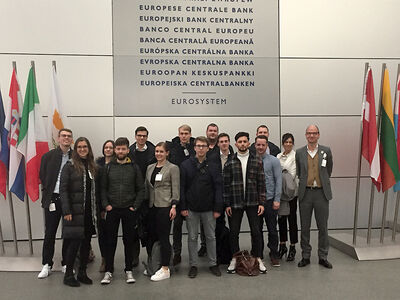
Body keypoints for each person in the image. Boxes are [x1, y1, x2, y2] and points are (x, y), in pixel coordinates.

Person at [100, 137, 145, 284]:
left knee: (129, 241)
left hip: (129, 210)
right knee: (110, 241)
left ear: (127, 150)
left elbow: (141, 189)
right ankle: (108, 271)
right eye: (118, 149)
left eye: (123, 148)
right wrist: (106, 204)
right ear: (115, 150)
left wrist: (135, 206)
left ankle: (128, 270)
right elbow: (103, 189)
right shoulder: (108, 167)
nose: (120, 151)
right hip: (112, 209)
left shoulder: (134, 167)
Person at [223, 132, 267, 274]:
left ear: (249, 143)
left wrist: (262, 203)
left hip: (253, 202)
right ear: (235, 144)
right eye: (239, 142)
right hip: (235, 203)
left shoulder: (256, 160)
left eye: (245, 141)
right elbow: (226, 185)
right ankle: (235, 259)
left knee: (256, 231)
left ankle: (258, 258)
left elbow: (261, 183)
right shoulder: (230, 161)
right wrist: (227, 204)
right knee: (233, 232)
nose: (242, 144)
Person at [180, 136, 223, 278]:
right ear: (194, 147)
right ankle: (193, 265)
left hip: (209, 209)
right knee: (192, 238)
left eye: (203, 146)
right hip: (191, 209)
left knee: (211, 237)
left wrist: (218, 208)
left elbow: (218, 188)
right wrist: (183, 207)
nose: (200, 148)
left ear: (207, 148)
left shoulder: (214, 165)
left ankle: (213, 263)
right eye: (198, 146)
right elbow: (182, 188)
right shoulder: (186, 165)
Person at [60, 137, 97, 287]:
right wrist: (67, 210)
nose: (82, 149)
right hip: (74, 213)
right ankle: (69, 274)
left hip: (88, 213)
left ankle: (82, 272)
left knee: (86, 244)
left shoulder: (92, 166)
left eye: (85, 146)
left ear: (89, 149)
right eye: (79, 147)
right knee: (73, 244)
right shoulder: (69, 166)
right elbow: (63, 190)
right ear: (76, 149)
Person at [296, 125, 333, 269]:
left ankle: (323, 256)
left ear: (318, 135)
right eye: (309, 133)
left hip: (321, 194)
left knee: (323, 227)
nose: (311, 136)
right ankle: (305, 256)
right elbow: (299, 172)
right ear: (306, 135)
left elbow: (329, 169)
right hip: (305, 193)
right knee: (305, 227)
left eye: (314, 133)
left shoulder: (326, 151)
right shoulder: (299, 152)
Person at [38, 128, 73, 279]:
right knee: (49, 233)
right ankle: (47, 264)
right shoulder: (48, 156)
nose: (66, 138)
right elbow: (43, 176)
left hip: (69, 202)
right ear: (58, 139)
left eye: (69, 136)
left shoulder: (76, 157)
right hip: (53, 199)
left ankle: (66, 263)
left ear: (71, 139)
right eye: (63, 136)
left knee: (68, 233)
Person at [145, 142, 180, 281]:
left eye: (161, 151)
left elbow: (175, 189)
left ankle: (165, 268)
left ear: (167, 153)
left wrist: (174, 206)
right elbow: (147, 187)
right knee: (152, 238)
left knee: (164, 238)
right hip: (152, 207)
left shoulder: (172, 168)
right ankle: (155, 266)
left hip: (165, 207)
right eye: (156, 151)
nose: (158, 154)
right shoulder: (149, 168)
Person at [168, 124, 195, 266]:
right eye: (181, 133)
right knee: (177, 225)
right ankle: (177, 253)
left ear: (190, 134)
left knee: (194, 225)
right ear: (178, 134)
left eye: (186, 133)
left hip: (193, 190)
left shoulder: (196, 147)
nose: (184, 136)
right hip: (178, 189)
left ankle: (196, 252)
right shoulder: (173, 148)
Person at [128, 126, 156, 267]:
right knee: (134, 228)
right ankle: (134, 257)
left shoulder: (153, 151)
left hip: (150, 195)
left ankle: (151, 256)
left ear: (147, 137)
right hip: (134, 195)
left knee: (150, 228)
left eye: (144, 136)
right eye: (139, 135)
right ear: (135, 136)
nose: (141, 138)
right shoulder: (129, 151)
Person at [255, 135, 282, 267]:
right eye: (258, 145)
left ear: (267, 146)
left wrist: (277, 199)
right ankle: (258, 253)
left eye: (263, 145)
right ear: (255, 145)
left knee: (272, 229)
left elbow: (279, 181)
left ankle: (274, 253)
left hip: (270, 201)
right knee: (257, 229)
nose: (260, 147)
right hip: (256, 202)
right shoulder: (251, 160)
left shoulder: (274, 161)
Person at [277, 133, 298, 262]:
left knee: (292, 220)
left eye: (290, 142)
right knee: (281, 220)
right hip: (280, 194)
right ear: (283, 143)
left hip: (291, 194)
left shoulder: (296, 156)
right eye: (286, 142)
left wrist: (283, 170)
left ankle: (293, 247)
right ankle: (283, 245)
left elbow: (293, 173)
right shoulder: (278, 156)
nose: (288, 144)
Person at [95, 140, 115, 272]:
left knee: (111, 234)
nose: (108, 149)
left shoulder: (117, 163)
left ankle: (111, 260)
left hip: (113, 204)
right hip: (99, 203)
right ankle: (104, 259)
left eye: (110, 147)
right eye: (106, 147)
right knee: (101, 233)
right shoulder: (97, 164)